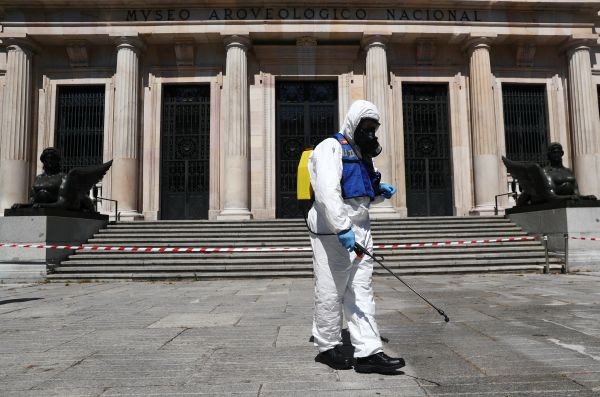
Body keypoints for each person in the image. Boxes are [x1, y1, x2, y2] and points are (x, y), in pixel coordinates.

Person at [307, 99, 405, 374]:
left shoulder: (363, 155)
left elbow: (358, 194)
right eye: (367, 128)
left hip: (360, 227)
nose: (372, 135)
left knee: (361, 291)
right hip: (332, 229)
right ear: (354, 124)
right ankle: (327, 346)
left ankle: (368, 353)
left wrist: (377, 193)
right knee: (331, 288)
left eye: (375, 129)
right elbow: (328, 192)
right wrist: (342, 228)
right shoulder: (331, 147)